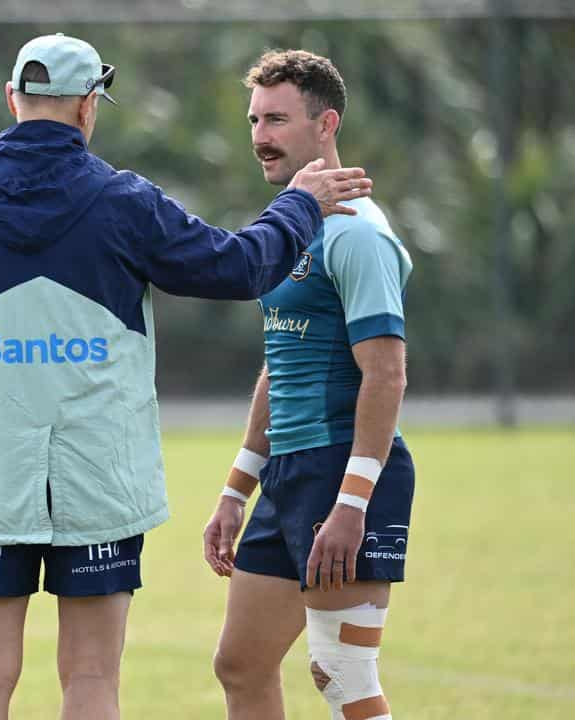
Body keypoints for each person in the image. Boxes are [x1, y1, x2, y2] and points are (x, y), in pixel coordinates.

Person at [0, 34, 370, 720]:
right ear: (88, 106)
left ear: (11, 99)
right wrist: (300, 202)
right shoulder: (122, 201)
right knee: (92, 680)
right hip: (98, 478)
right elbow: (236, 268)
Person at [203, 49, 415, 720]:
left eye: (277, 120)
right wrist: (238, 487)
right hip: (288, 475)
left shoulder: (356, 232)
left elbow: (386, 371)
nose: (261, 137)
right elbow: (280, 361)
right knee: (241, 664)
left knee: (344, 677)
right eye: (254, 120)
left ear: (326, 124)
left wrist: (353, 503)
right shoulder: (294, 229)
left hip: (340, 473)